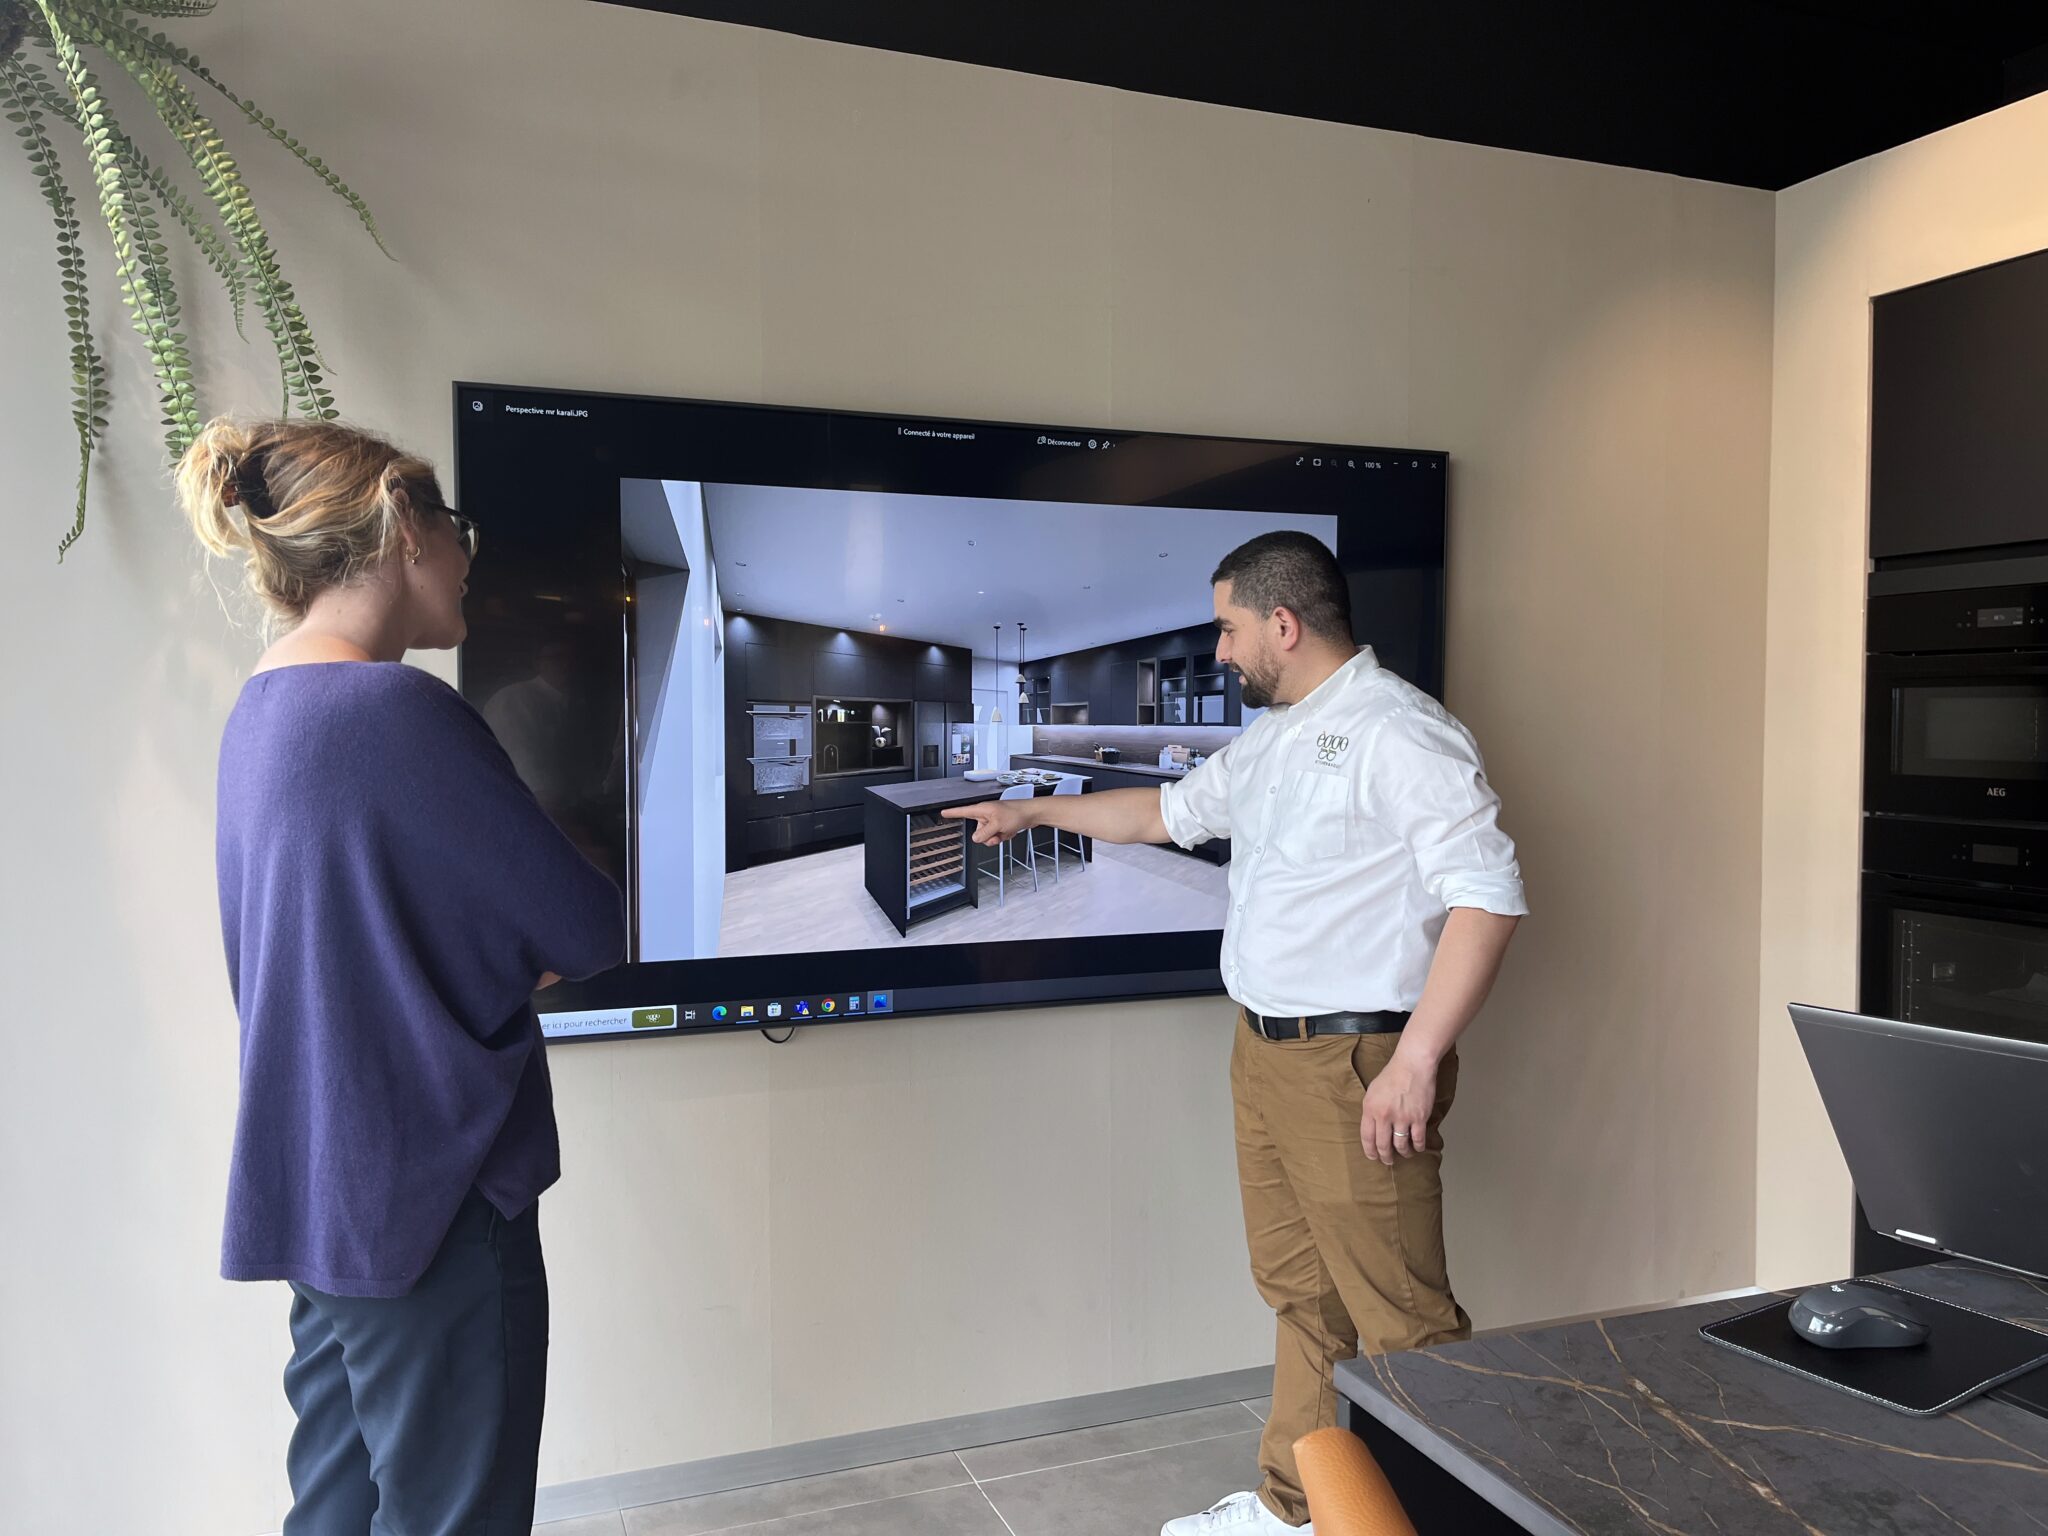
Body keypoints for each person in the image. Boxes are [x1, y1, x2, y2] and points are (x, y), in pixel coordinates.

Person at [945, 531, 1525, 1535]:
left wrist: (1415, 1063)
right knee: (1303, 1297)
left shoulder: (1398, 731)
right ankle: (1297, 1509)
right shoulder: (1272, 738)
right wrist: (1031, 811)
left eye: (1227, 627)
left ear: (1282, 624)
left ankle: (1444, 1519)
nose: (1217, 650)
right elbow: (1163, 815)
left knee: (1405, 1326)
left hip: (1356, 1062)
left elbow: (1487, 896)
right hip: (1264, 1053)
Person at [178, 418, 626, 1534]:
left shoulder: (261, 713)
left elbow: (338, 951)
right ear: (398, 530)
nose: (471, 556)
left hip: (329, 1189)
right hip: (436, 1196)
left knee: (334, 1508)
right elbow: (587, 925)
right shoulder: (395, 710)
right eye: (455, 527)